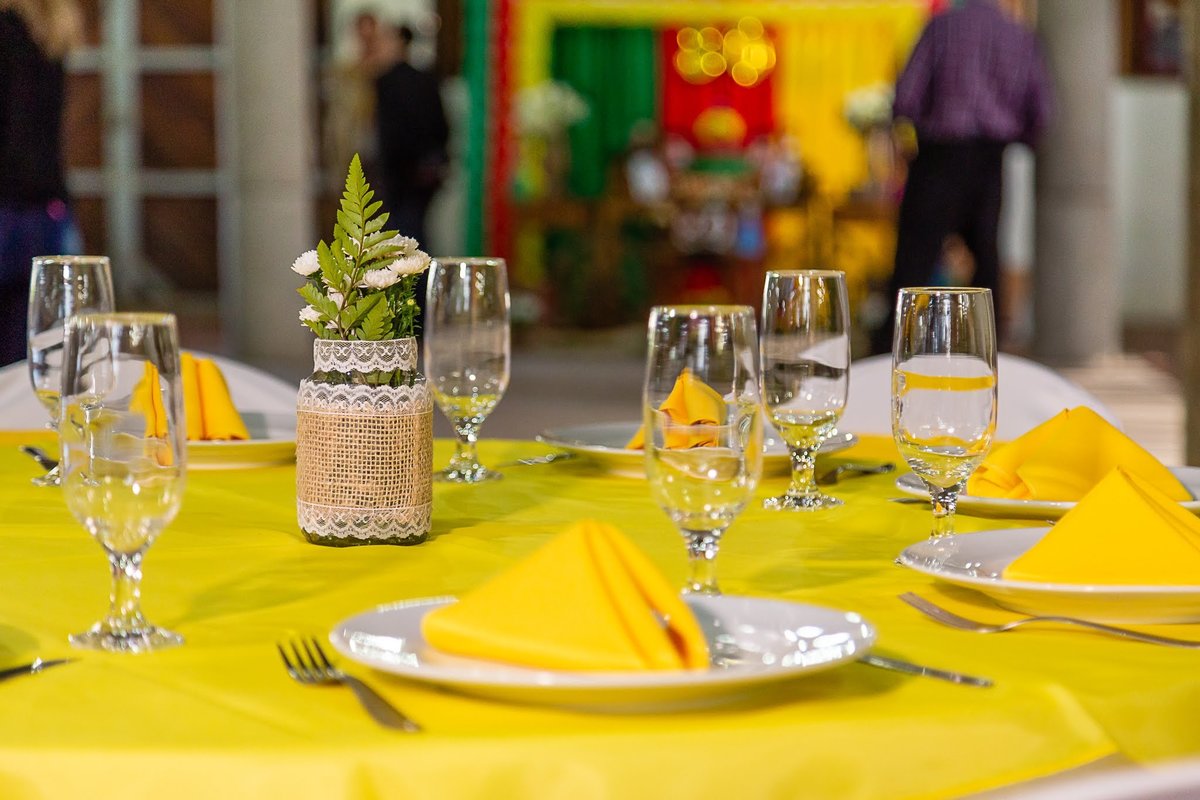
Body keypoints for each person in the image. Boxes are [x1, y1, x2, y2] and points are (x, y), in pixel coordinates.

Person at [871, 0, 1053, 354]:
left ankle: (894, 354)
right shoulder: (1019, 37)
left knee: (913, 264)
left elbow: (906, 97)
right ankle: (985, 355)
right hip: (989, 160)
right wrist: (1009, 135)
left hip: (938, 157)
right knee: (986, 264)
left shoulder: (941, 27)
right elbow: (1041, 113)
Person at [0, 0, 83, 366]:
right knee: (41, 360)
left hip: (8, 207)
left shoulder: (6, 29)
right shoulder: (51, 35)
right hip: (49, 209)